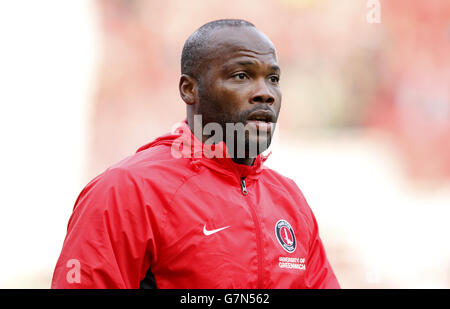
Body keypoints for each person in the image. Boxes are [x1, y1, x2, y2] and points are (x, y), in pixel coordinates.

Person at [51, 19, 340, 289]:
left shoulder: (290, 201)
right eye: (242, 75)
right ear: (189, 90)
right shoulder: (127, 190)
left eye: (273, 79)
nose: (265, 93)